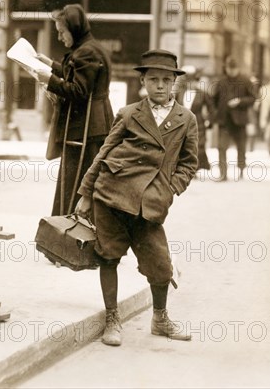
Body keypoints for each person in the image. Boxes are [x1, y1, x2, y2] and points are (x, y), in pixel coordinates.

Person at [74, 49, 198, 346]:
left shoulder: (186, 118)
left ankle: (160, 318)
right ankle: (112, 318)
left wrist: (170, 188)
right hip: (112, 194)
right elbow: (104, 153)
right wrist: (86, 193)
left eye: (165, 80)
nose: (159, 85)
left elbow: (190, 162)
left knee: (160, 265)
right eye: (152, 79)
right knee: (109, 256)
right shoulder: (128, 113)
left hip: (151, 202)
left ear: (174, 84)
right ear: (143, 81)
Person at [35, 4, 114, 217]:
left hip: (86, 129)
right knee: (80, 184)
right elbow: (77, 74)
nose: (60, 37)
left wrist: (49, 80)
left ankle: (70, 235)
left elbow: (79, 90)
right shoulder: (91, 48)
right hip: (94, 126)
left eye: (62, 32)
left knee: (75, 184)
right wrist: (51, 65)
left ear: (74, 28)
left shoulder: (86, 52)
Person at [211, 57, 256, 181]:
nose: (231, 71)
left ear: (238, 69)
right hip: (224, 120)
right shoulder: (221, 82)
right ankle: (223, 174)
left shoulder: (246, 81)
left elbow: (253, 98)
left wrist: (240, 101)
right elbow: (214, 99)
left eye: (233, 69)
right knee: (222, 147)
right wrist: (216, 113)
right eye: (228, 69)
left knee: (241, 146)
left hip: (240, 120)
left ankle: (241, 169)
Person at [175, 65, 214, 172]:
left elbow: (211, 108)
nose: (191, 84)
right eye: (188, 82)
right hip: (182, 124)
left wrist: (209, 122)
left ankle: (194, 169)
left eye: (193, 81)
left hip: (199, 123)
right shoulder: (180, 93)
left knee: (198, 146)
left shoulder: (203, 94)